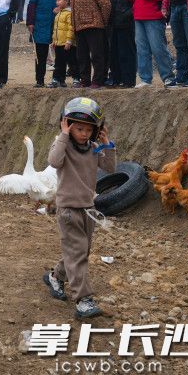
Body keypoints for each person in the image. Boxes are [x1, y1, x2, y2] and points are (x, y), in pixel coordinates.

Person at [44, 97, 116, 319]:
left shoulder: (94, 148)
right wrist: (64, 135)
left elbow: (111, 168)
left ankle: (56, 276)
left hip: (88, 209)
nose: (84, 133)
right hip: (67, 210)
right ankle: (83, 300)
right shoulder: (62, 146)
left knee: (80, 252)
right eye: (79, 128)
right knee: (77, 254)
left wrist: (106, 143)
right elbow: (54, 162)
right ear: (66, 125)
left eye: (89, 129)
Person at [127, 0, 176, 88]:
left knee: (158, 48)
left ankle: (168, 77)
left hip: (154, 17)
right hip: (139, 17)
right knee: (142, 50)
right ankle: (145, 79)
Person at [26, 0, 73, 87]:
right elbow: (32, 3)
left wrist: (61, 9)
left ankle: (59, 79)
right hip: (41, 22)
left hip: (60, 24)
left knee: (61, 53)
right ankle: (39, 80)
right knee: (40, 53)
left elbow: (72, 2)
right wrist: (30, 21)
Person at [70, 0, 111, 88]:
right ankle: (85, 80)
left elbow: (106, 4)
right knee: (81, 56)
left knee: (97, 54)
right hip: (79, 26)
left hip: (94, 25)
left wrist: (102, 21)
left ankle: (98, 80)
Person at [103, 0, 137, 88]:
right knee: (114, 52)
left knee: (126, 52)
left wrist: (126, 15)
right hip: (113, 22)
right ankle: (116, 79)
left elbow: (135, 2)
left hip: (127, 22)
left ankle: (128, 80)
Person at [49, 0, 78, 88]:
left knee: (72, 62)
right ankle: (58, 80)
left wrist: (69, 41)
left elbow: (71, 27)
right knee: (59, 62)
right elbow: (56, 29)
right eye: (56, 1)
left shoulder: (69, 13)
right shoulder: (58, 14)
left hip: (67, 43)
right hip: (59, 43)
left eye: (59, 0)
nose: (57, 2)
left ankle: (76, 79)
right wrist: (54, 41)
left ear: (67, 1)